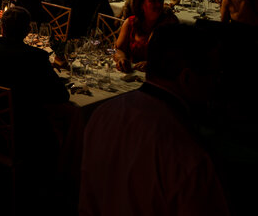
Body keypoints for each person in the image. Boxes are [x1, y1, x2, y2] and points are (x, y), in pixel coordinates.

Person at [80, 24, 228, 216]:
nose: (217, 83)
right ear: (187, 78)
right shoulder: (188, 155)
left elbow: (86, 196)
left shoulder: (103, 113)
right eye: (214, 74)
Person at [0, 7, 69, 149]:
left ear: (2, 28)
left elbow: (10, 66)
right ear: (27, 31)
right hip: (22, 129)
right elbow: (61, 95)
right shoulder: (37, 56)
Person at [114, 0, 178, 72]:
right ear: (141, 5)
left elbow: (177, 57)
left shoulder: (169, 24)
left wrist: (153, 64)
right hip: (132, 75)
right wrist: (122, 58)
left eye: (160, 1)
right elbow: (118, 49)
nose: (158, 4)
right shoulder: (130, 23)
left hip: (158, 77)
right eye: (153, 1)